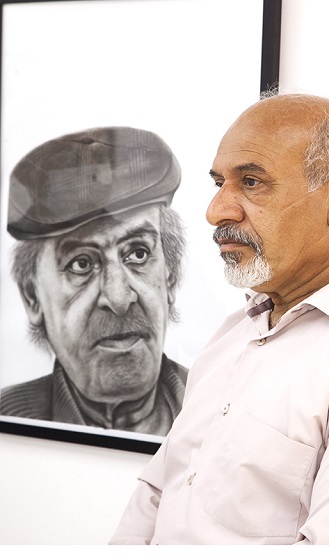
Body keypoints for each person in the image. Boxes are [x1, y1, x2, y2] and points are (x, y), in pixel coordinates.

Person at [109, 92, 329, 544]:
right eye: (218, 183)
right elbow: (161, 491)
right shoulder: (242, 325)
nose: (216, 211)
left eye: (251, 182)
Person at [0, 127, 188, 436]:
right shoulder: (9, 420)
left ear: (170, 277)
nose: (119, 298)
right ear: (32, 296)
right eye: (81, 264)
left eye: (138, 254)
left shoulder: (222, 410)